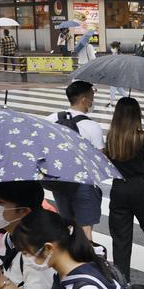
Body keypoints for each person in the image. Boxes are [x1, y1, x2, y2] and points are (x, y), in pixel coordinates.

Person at [105, 97, 144, 279]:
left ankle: (121, 278)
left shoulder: (112, 136)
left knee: (120, 236)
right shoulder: (141, 136)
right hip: (140, 186)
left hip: (119, 188)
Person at [46, 81, 105, 239]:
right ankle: (86, 259)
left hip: (60, 182)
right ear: (85, 100)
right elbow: (99, 160)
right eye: (92, 97)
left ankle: (71, 258)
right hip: (84, 183)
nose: (93, 101)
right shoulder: (92, 126)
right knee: (85, 228)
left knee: (68, 223)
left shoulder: (52, 118)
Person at [106, 41, 127, 107]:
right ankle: (128, 98)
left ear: (116, 48)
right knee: (119, 88)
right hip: (113, 73)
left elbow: (121, 65)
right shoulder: (114, 54)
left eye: (112, 47)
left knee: (112, 88)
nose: (111, 49)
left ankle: (111, 103)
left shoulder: (120, 55)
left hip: (117, 74)